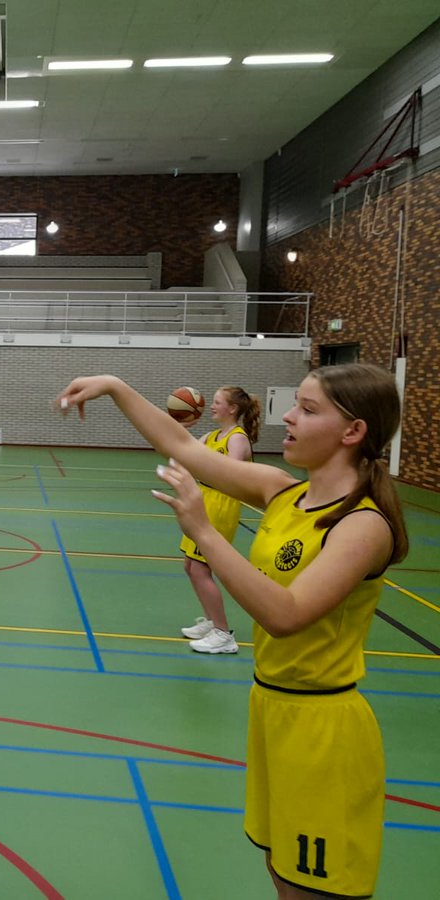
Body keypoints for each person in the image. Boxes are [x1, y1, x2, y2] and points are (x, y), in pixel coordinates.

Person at [56, 365, 408, 900]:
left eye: (308, 409)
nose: (286, 414)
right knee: (283, 876)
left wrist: (203, 532)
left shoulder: (362, 525)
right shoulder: (283, 492)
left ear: (352, 431)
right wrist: (115, 386)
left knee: (316, 890)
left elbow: (286, 615)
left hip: (323, 728)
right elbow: (181, 444)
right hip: (269, 708)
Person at [179, 386, 262, 654]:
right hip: (202, 502)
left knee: (201, 569)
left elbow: (231, 475)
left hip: (219, 505)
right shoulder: (213, 435)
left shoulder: (237, 439)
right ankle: (212, 622)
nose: (210, 406)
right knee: (191, 567)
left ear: (233, 409)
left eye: (216, 402)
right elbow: (182, 448)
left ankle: (224, 634)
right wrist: (181, 423)